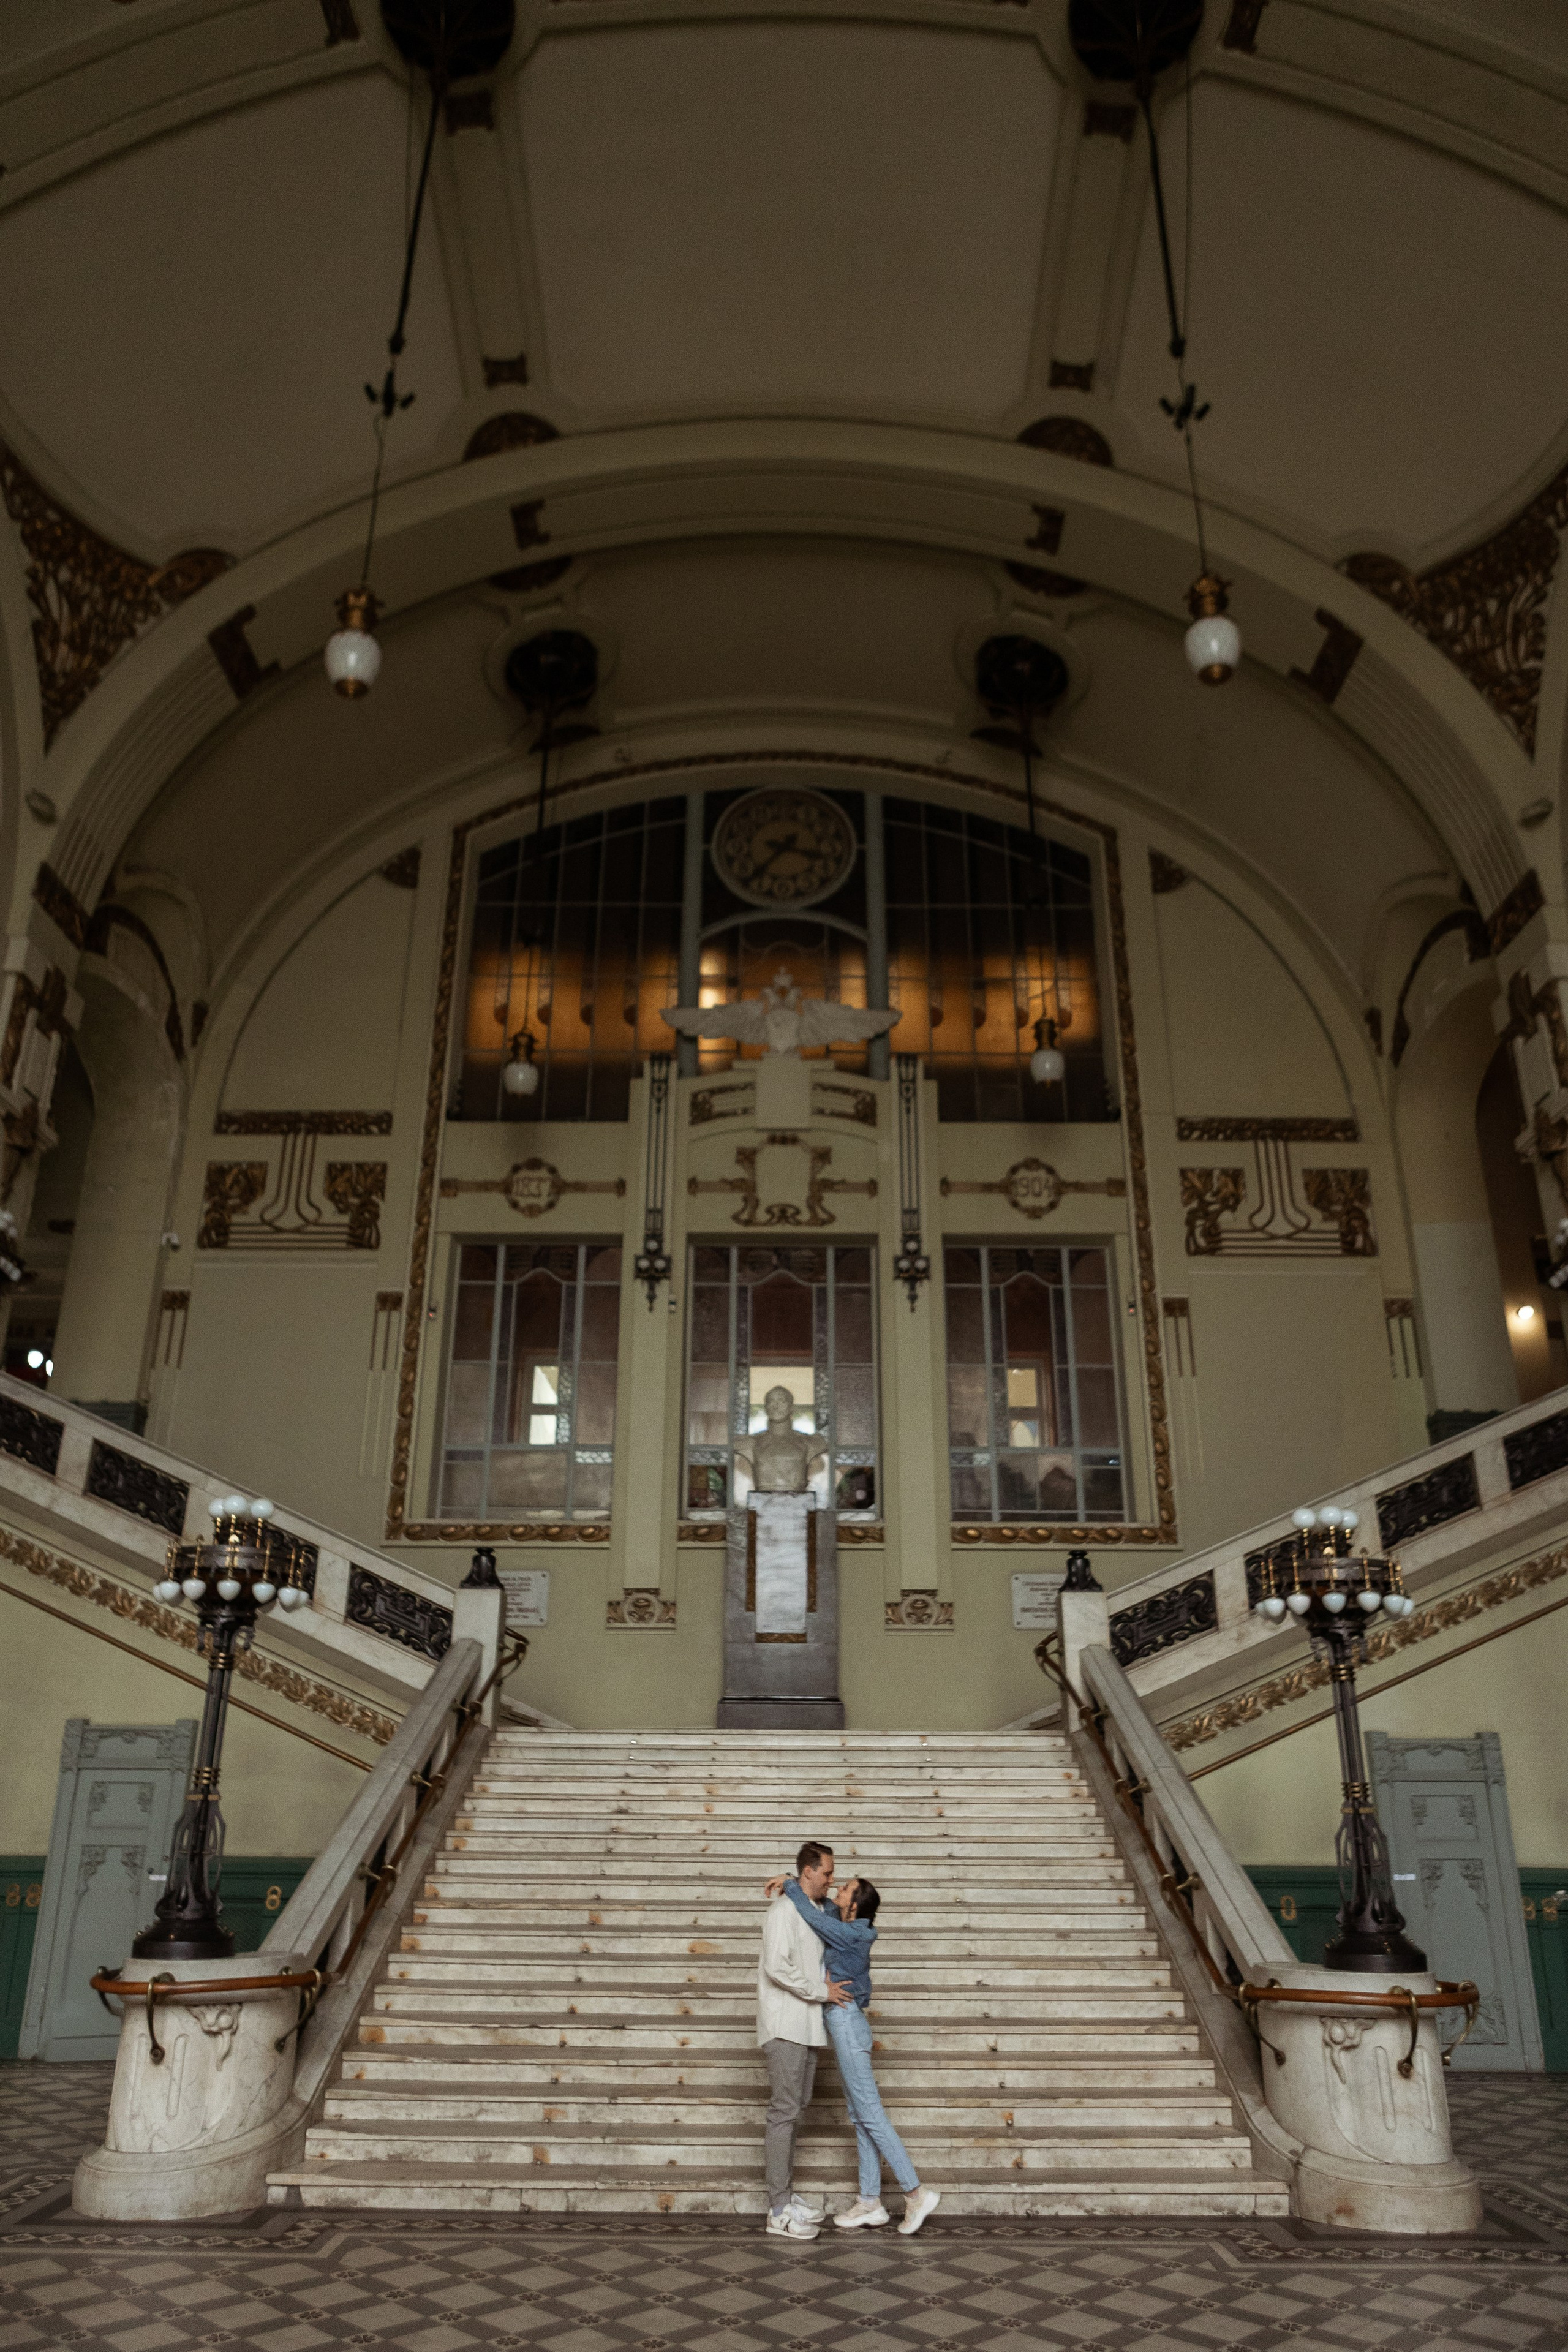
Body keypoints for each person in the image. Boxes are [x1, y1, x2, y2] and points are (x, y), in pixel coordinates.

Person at [765, 1867, 941, 2236]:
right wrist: (790, 1877)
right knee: (860, 2115)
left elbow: (814, 1914)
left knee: (871, 2113)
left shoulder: (851, 1932)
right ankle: (870, 2201)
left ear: (855, 1906)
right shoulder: (848, 1924)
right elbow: (823, 1905)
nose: (838, 1889)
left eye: (846, 1889)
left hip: (846, 2023)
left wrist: (792, 1886)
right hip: (844, 2023)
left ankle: (915, 2192)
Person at [757, 1839, 853, 2238]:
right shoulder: (783, 1911)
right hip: (786, 2026)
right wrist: (820, 1992)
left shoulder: (812, 1910)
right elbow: (777, 1966)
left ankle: (787, 2195)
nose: (833, 1879)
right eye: (827, 1872)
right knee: (784, 2113)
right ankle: (778, 2210)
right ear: (808, 1871)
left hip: (807, 2025)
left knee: (797, 2111)